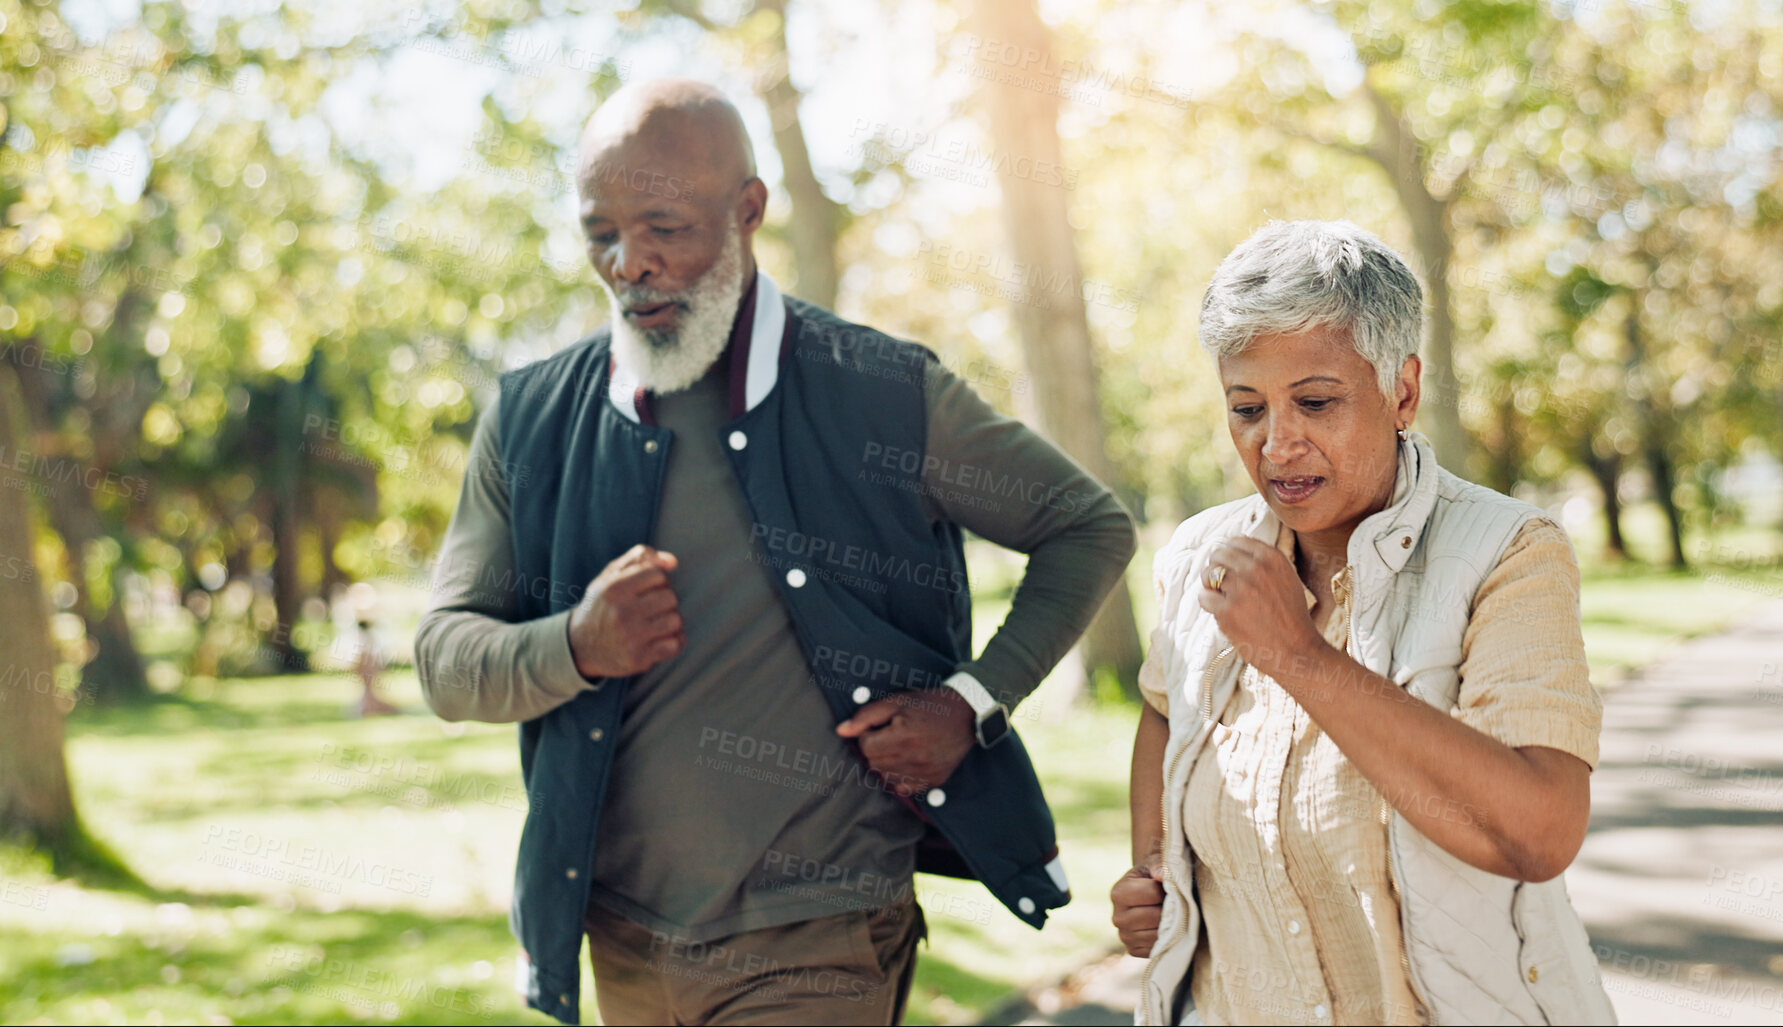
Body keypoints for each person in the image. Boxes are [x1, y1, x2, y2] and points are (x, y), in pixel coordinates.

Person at [414, 78, 1136, 1026]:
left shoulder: (882, 392)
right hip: (621, 940)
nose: (629, 263)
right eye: (601, 233)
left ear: (748, 209)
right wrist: (576, 645)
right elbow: (442, 661)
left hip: (817, 934)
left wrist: (971, 703)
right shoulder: (531, 417)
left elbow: (1087, 526)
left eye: (663, 226)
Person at [1112, 220, 1615, 1025]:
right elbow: (1161, 706)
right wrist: (1152, 866)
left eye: (1314, 401)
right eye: (1246, 407)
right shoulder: (1197, 556)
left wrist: (1299, 655)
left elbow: (1539, 830)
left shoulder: (1508, 553)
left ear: (1402, 392)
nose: (1276, 443)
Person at [349, 618, 398, 718]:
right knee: (368, 690)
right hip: (367, 664)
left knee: (368, 690)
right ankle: (368, 707)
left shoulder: (360, 637)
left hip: (366, 665)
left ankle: (368, 707)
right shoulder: (366, 638)